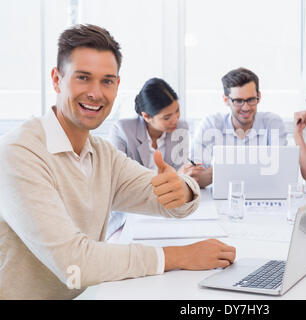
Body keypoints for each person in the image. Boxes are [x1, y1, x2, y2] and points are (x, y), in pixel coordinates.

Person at [0, 24, 235, 300]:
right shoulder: (18, 152)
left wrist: (182, 190)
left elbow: (163, 199)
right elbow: (74, 264)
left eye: (107, 81)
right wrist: (180, 256)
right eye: (83, 78)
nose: (96, 93)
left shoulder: (100, 154)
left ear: (117, 85)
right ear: (56, 79)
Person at [106, 78, 204, 239]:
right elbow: (118, 180)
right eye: (166, 117)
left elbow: (179, 172)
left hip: (167, 212)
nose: (175, 120)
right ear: (146, 116)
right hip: (128, 214)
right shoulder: (122, 130)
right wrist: (177, 175)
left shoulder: (181, 128)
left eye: (177, 111)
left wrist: (184, 176)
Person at [190, 67, 288, 188]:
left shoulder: (273, 123)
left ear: (259, 97)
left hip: (262, 197)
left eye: (251, 99)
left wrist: (222, 169)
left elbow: (280, 172)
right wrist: (255, 166)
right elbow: (193, 178)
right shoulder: (210, 125)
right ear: (226, 100)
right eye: (238, 101)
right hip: (217, 200)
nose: (246, 107)